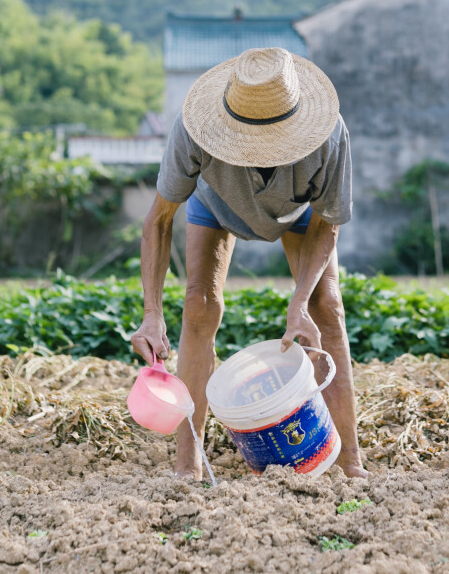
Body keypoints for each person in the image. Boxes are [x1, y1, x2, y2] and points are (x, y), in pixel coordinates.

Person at [129, 47, 366, 479]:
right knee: (200, 306)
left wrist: (299, 301)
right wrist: (151, 314)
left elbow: (329, 224)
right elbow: (158, 221)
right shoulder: (193, 130)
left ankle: (350, 461)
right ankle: (188, 467)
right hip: (217, 205)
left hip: (300, 212)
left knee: (326, 306)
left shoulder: (330, 136)